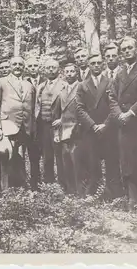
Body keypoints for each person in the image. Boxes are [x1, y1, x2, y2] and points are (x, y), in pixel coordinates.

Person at [108, 37, 137, 207]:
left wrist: (131, 112)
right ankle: (133, 199)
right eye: (124, 49)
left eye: (129, 48)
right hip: (123, 125)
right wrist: (119, 114)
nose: (126, 51)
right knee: (127, 161)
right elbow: (111, 97)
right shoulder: (119, 73)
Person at [76, 54, 122, 199]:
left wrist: (105, 125)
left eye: (98, 63)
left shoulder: (111, 82)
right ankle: (92, 192)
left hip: (108, 129)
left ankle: (114, 194)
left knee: (112, 162)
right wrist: (92, 125)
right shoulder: (82, 85)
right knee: (92, 162)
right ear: (88, 66)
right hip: (91, 130)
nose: (96, 65)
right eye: (93, 63)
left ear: (103, 65)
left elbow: (115, 105)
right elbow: (79, 108)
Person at [0, 56, 36, 190]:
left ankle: (21, 189)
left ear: (24, 67)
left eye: (20, 64)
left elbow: (32, 108)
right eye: (14, 64)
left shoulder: (29, 85)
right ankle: (5, 191)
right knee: (6, 159)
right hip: (7, 126)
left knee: (20, 159)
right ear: (10, 66)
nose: (17, 67)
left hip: (24, 127)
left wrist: (32, 128)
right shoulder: (1, 82)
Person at [35, 58, 67, 186]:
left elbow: (70, 106)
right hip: (44, 126)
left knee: (60, 156)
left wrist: (62, 119)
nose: (51, 70)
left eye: (54, 67)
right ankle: (49, 183)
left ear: (59, 70)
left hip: (58, 126)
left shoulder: (64, 85)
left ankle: (63, 184)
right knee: (47, 155)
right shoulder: (41, 87)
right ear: (44, 70)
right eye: (48, 68)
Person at [53, 62, 81, 194]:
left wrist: (64, 120)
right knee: (66, 162)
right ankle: (69, 191)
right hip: (64, 132)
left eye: (72, 71)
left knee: (78, 161)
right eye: (67, 72)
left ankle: (80, 191)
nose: (69, 74)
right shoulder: (62, 91)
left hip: (77, 131)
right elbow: (57, 113)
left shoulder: (82, 87)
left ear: (77, 72)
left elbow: (84, 110)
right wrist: (56, 134)